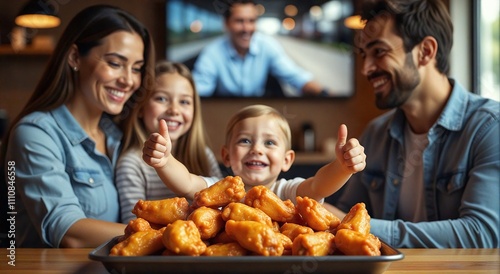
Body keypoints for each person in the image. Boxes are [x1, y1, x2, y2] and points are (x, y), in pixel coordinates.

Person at [332, 0, 500, 248]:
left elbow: (482, 234)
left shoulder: (488, 128)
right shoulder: (375, 134)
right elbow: (344, 217)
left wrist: (363, 228)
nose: (366, 69)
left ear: (426, 51)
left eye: (379, 52)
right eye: (364, 55)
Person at [0, 5, 155, 248]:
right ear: (74, 57)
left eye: (136, 68)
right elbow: (68, 231)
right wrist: (163, 234)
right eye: (115, 63)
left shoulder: (118, 136)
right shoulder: (34, 133)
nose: (128, 80)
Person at [142, 104, 366, 205]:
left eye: (269, 142)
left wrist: (342, 167)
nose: (257, 149)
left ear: (287, 160)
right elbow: (186, 182)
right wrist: (165, 161)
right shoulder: (218, 190)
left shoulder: (286, 191)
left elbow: (319, 186)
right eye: (245, 140)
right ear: (227, 155)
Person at [116, 61, 222, 224]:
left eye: (184, 102)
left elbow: (222, 202)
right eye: (161, 98)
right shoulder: (132, 163)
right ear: (141, 108)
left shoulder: (203, 154)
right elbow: (133, 224)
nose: (174, 109)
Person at [192, 0, 327, 97]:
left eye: (251, 21)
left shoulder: (267, 45)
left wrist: (323, 93)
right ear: (226, 24)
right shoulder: (212, 52)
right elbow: (199, 90)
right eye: (240, 21)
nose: (247, 28)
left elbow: (295, 76)